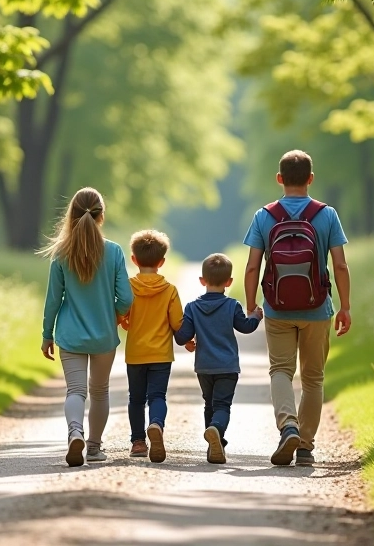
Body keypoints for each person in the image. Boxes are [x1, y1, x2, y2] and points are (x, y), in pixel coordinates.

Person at [243, 150, 352, 467]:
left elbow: (252, 268)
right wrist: (345, 307)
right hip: (317, 309)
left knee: (280, 370)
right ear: (310, 179)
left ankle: (287, 425)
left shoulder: (264, 216)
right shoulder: (326, 215)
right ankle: (304, 446)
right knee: (314, 378)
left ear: (279, 179)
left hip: (277, 310)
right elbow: (341, 265)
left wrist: (251, 304)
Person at [40, 187, 133, 467]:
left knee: (76, 391)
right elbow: (126, 297)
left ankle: (74, 432)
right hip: (104, 335)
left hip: (70, 335)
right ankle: (93, 447)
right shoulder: (114, 251)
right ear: (101, 216)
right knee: (100, 391)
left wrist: (47, 335)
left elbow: (53, 300)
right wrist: (115, 314)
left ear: (72, 214)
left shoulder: (61, 254)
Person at [175, 253, 262, 464]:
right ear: (229, 282)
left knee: (209, 404)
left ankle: (214, 445)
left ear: (202, 281)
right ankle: (217, 431)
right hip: (227, 366)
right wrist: (257, 316)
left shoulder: (192, 308)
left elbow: (181, 337)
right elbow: (246, 327)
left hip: (204, 367)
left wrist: (186, 339)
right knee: (222, 406)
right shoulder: (232, 306)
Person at [121, 230, 185, 463]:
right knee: (157, 396)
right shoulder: (169, 290)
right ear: (162, 262)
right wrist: (187, 340)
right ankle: (156, 424)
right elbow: (178, 322)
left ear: (134, 260)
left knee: (136, 399)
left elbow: (121, 313)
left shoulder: (128, 287)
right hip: (161, 354)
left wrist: (126, 321)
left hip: (136, 353)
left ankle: (138, 442)